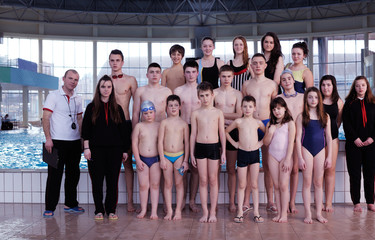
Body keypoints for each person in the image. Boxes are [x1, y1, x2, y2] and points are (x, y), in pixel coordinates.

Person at [82, 75, 131, 220]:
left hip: (115, 150)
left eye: (109, 87)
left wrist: (124, 150)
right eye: (103, 86)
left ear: (112, 89)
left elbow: (123, 131)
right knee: (97, 181)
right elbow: (86, 130)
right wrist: (86, 148)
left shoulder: (118, 108)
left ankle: (111, 210)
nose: (106, 89)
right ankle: (98, 209)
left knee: (112, 181)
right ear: (99, 88)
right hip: (96, 150)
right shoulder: (91, 107)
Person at [42, 69, 84, 217]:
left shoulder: (78, 99)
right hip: (56, 142)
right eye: (70, 78)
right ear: (63, 79)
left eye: (76, 80)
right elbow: (46, 117)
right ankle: (50, 207)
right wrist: (48, 139)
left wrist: (81, 140)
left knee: (73, 175)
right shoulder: (53, 96)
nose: (73, 81)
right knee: (54, 175)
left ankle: (70, 204)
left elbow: (79, 120)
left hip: (74, 142)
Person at [242, 53, 278, 213]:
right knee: (250, 164)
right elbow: (244, 108)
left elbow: (276, 108)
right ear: (251, 65)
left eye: (260, 63)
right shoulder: (246, 84)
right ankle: (246, 201)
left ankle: (270, 201)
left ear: (265, 65)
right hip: (251, 125)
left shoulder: (272, 85)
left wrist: (272, 125)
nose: (257, 66)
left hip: (266, 123)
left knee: (269, 165)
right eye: (254, 63)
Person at [190, 81, 226, 223]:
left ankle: (213, 212)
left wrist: (223, 152)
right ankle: (205, 212)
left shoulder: (218, 113)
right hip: (200, 147)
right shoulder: (195, 113)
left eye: (207, 95)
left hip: (213, 147)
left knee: (213, 180)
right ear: (198, 97)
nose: (205, 98)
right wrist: (191, 154)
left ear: (212, 95)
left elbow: (222, 133)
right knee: (203, 180)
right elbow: (193, 134)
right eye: (202, 96)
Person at [296, 87, 332, 224]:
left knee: (318, 183)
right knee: (307, 182)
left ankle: (318, 213)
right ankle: (308, 214)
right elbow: (298, 139)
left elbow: (328, 138)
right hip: (306, 149)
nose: (313, 100)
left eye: (316, 97)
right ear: (306, 99)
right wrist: (299, 157)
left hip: (320, 150)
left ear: (319, 99)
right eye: (310, 97)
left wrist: (329, 156)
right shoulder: (301, 116)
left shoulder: (325, 116)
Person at [226, 96, 264, 224]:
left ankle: (257, 212)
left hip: (254, 154)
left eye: (250, 106)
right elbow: (226, 131)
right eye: (245, 106)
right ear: (241, 108)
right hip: (242, 153)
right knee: (242, 184)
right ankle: (240, 212)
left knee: (254, 184)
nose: (247, 109)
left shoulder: (258, 122)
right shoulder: (238, 121)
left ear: (254, 108)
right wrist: (235, 143)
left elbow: (268, 133)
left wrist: (261, 143)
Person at [109, 49, 138, 212]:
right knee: (111, 164)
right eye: (112, 60)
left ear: (122, 62)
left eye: (117, 60)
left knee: (127, 165)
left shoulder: (131, 80)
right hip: (109, 126)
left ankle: (130, 201)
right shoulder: (105, 81)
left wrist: (136, 127)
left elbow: (137, 106)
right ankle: (110, 201)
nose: (115, 63)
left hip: (125, 124)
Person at [342, 76, 375, 212]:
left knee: (370, 173)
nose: (360, 88)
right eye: (357, 86)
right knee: (354, 174)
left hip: (371, 144)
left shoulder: (373, 103)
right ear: (354, 87)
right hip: (353, 144)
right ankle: (356, 202)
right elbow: (346, 123)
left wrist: (372, 138)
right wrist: (354, 138)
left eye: (363, 85)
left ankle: (370, 201)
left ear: (367, 86)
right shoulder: (349, 104)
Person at [214, 65, 243, 213]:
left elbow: (239, 115)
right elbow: (210, 113)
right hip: (215, 132)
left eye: (228, 76)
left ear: (233, 77)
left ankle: (232, 202)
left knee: (231, 169)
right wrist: (223, 117)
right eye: (223, 76)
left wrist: (220, 115)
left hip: (233, 132)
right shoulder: (213, 93)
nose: (226, 79)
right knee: (216, 170)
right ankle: (215, 201)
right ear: (219, 76)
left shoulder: (238, 94)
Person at [174, 61, 201, 213]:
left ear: (198, 73)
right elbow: (172, 111)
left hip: (198, 130)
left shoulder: (203, 89)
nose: (191, 75)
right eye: (188, 72)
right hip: (181, 129)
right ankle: (182, 200)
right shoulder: (178, 90)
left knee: (195, 167)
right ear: (184, 73)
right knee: (182, 167)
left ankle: (192, 200)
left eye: (193, 72)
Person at [263, 97, 295, 223]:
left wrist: (288, 159)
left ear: (285, 109)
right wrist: (270, 132)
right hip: (272, 156)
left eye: (279, 108)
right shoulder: (270, 124)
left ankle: (284, 214)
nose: (277, 111)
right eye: (274, 109)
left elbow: (291, 143)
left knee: (283, 185)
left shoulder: (290, 123)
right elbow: (266, 143)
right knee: (276, 186)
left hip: (285, 156)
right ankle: (279, 212)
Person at [158, 95, 189, 220]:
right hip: (166, 155)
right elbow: (159, 142)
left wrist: (186, 160)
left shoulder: (183, 124)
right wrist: (161, 158)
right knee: (168, 183)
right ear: (166, 108)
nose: (173, 108)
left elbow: (186, 143)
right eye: (170, 105)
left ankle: (178, 211)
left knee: (179, 183)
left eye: (176, 105)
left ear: (180, 106)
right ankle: (169, 211)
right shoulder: (164, 123)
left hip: (179, 156)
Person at [278, 69, 304, 213]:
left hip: (298, 137)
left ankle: (292, 202)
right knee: (285, 169)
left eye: (289, 79)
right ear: (280, 83)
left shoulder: (302, 96)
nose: (287, 82)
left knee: (295, 169)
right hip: (284, 137)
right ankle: (283, 200)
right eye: (284, 80)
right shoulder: (279, 97)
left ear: (294, 80)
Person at [132, 100, 161, 219]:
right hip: (142, 159)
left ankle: (154, 211)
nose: (148, 115)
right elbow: (134, 144)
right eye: (146, 113)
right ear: (141, 115)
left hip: (156, 160)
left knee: (155, 185)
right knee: (143, 185)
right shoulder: (139, 126)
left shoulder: (159, 125)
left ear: (155, 112)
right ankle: (143, 209)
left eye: (150, 112)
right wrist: (137, 160)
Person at [319, 75, 344, 212]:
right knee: (318, 171)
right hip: (318, 139)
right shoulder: (317, 100)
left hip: (333, 139)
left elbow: (338, 122)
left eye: (328, 85)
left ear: (333, 86)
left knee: (330, 170)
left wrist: (330, 133)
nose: (326, 88)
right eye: (323, 85)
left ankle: (328, 202)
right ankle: (319, 201)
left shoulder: (339, 102)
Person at [132, 62, 172, 129]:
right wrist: (134, 131)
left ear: (160, 75)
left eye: (157, 72)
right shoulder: (140, 91)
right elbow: (135, 114)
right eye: (152, 72)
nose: (154, 75)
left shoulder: (167, 91)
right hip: (145, 128)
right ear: (147, 75)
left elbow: (170, 114)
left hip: (161, 127)